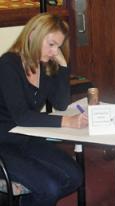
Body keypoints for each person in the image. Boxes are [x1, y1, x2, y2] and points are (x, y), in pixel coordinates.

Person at [0, 13, 88, 206]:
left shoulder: (44, 67)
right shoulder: (8, 64)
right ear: (33, 35)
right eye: (51, 44)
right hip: (3, 143)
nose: (54, 51)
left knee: (74, 176)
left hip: (26, 137)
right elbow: (22, 116)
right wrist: (68, 122)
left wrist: (63, 65)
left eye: (58, 46)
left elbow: (61, 103)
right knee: (49, 187)